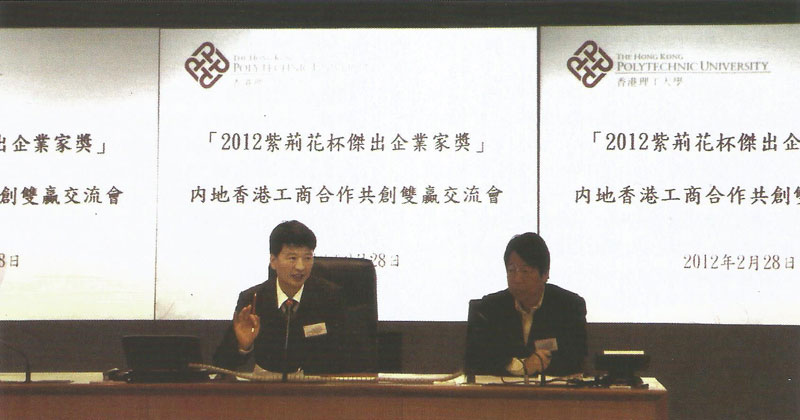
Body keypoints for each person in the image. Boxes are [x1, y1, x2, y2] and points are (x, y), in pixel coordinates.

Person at [213, 220, 348, 374]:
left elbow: (346, 356)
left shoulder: (330, 297)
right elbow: (220, 364)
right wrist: (243, 346)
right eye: (292, 258)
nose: (300, 267)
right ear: (273, 261)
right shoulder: (253, 299)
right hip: (265, 384)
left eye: (307, 258)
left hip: (314, 385)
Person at [466, 232, 587, 377]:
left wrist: (535, 364)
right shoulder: (489, 309)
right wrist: (523, 366)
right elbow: (476, 361)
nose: (517, 279)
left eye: (525, 271)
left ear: (545, 274)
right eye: (512, 270)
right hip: (501, 391)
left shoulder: (569, 307)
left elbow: (574, 360)